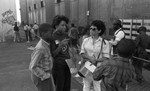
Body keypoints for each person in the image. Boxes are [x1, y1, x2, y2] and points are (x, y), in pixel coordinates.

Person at [80, 20, 110, 91]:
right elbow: (82, 53)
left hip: (98, 68)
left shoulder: (105, 43)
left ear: (99, 31)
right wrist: (89, 58)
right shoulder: (86, 40)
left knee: (97, 85)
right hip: (86, 66)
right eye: (90, 28)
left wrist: (96, 60)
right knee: (86, 85)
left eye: (94, 29)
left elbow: (106, 57)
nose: (91, 30)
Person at [29, 23, 55, 91]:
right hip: (41, 77)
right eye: (50, 33)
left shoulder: (46, 44)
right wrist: (44, 75)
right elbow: (33, 66)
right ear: (43, 33)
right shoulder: (40, 48)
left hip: (46, 74)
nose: (52, 35)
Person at [51, 15, 71, 91]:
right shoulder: (52, 36)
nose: (64, 27)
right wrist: (60, 45)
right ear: (56, 26)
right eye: (62, 25)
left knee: (67, 86)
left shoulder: (66, 35)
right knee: (59, 87)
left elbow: (67, 49)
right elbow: (53, 54)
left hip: (67, 64)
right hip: (58, 65)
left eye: (65, 25)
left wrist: (72, 55)